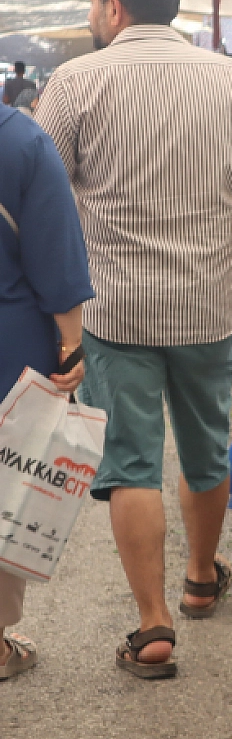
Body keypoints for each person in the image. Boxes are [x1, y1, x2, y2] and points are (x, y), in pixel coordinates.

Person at [36, 0, 232, 679]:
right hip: (205, 301)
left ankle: (152, 624)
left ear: (112, 5)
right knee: (203, 444)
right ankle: (201, 577)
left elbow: (41, 196)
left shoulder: (74, 83)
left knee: (130, 462)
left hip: (114, 308)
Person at [0, 94, 93, 681]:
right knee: (3, 487)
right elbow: (54, 255)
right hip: (9, 345)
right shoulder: (21, 140)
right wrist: (72, 345)